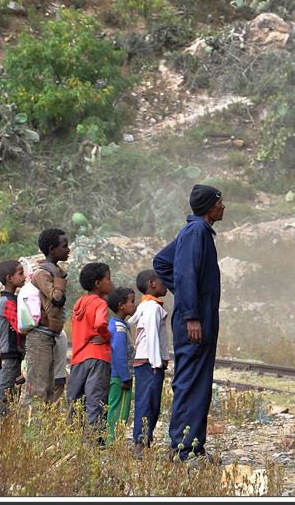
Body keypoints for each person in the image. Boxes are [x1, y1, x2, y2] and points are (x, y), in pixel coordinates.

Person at [152, 184, 225, 462]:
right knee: (192, 382)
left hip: (199, 317)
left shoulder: (197, 232)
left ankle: (189, 445)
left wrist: (185, 298)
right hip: (195, 321)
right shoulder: (196, 233)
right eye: (220, 201)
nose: (223, 206)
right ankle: (185, 449)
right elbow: (183, 274)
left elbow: (162, 262)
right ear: (209, 207)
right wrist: (191, 313)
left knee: (196, 381)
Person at [67, 262, 114, 442]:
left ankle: (74, 440)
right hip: (98, 357)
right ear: (97, 283)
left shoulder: (80, 302)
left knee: (76, 400)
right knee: (96, 401)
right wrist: (106, 336)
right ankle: (93, 443)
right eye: (108, 279)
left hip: (78, 358)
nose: (111, 283)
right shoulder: (100, 303)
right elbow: (100, 324)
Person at [25, 228, 69, 405]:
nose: (68, 250)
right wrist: (58, 276)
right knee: (37, 389)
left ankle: (41, 429)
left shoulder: (53, 270)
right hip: (40, 337)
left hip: (49, 336)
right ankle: (30, 430)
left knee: (48, 388)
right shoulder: (43, 273)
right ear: (52, 249)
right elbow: (57, 299)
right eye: (64, 246)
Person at [130, 270, 171, 457]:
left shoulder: (145, 306)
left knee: (145, 401)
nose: (166, 284)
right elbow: (153, 336)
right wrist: (157, 363)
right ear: (152, 283)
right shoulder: (153, 308)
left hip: (145, 361)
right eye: (162, 281)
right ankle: (141, 443)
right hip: (150, 362)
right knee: (149, 403)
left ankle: (142, 441)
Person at [0, 260, 27, 416]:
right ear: (9, 278)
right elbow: (21, 328)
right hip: (9, 356)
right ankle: (1, 431)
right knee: (5, 397)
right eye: (20, 273)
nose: (24, 276)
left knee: (12, 397)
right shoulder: (7, 302)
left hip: (15, 357)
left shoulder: (13, 300)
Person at [106, 286, 137, 445]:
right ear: (121, 306)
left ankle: (112, 439)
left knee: (115, 407)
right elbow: (118, 355)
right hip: (119, 377)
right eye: (132, 301)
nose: (135, 305)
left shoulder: (119, 325)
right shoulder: (119, 329)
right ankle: (113, 441)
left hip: (117, 376)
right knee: (119, 410)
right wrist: (126, 378)